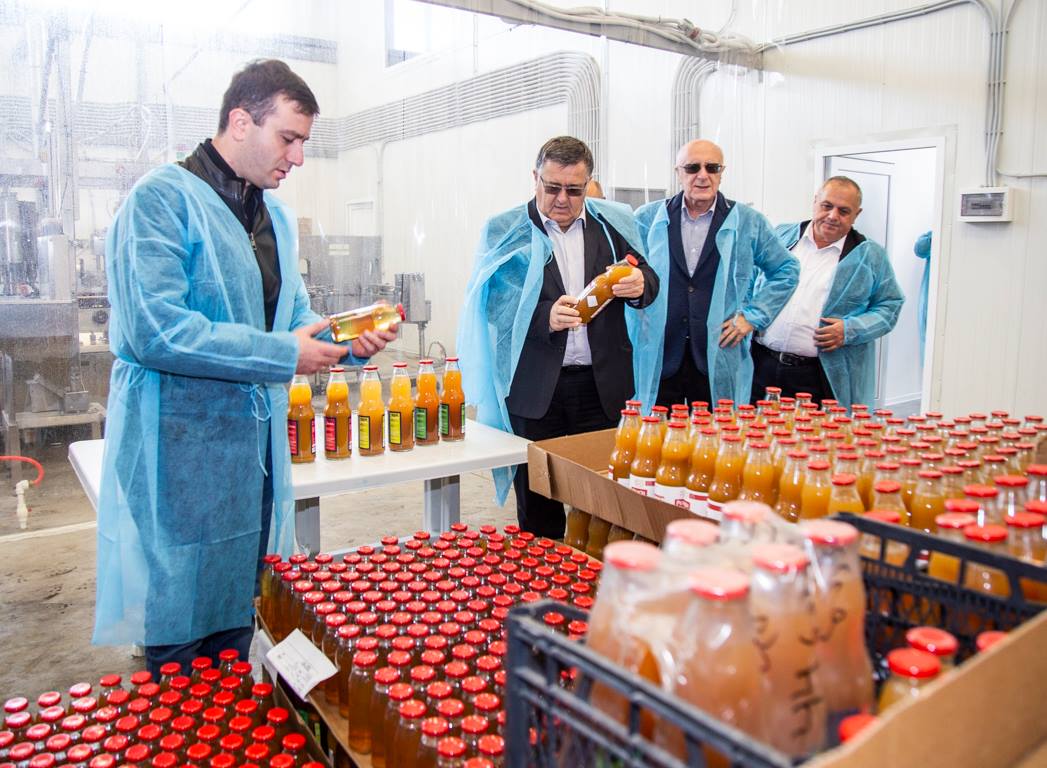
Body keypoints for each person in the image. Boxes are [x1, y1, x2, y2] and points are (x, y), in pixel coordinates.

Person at [94, 60, 396, 676]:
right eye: (288, 138)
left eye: (304, 142)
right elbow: (158, 330)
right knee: (181, 620)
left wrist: (345, 341)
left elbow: (293, 318)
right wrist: (286, 354)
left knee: (239, 609)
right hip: (178, 448)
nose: (298, 157)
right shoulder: (160, 201)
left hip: (251, 450)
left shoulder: (272, 218)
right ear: (240, 121)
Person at [457, 136, 660, 538]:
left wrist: (640, 284)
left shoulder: (613, 225)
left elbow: (649, 277)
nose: (563, 199)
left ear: (589, 184)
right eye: (552, 188)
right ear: (534, 178)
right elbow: (491, 302)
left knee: (605, 502)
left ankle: (594, 572)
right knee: (538, 505)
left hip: (601, 387)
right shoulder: (506, 230)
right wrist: (542, 317)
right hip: (536, 389)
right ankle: (542, 572)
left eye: (574, 190)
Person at [635, 140, 799, 407]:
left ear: (722, 173)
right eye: (692, 167)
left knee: (716, 431)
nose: (703, 175)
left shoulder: (748, 222)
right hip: (660, 355)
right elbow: (625, 270)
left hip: (718, 356)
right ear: (678, 172)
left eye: (712, 167)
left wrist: (753, 316)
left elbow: (786, 270)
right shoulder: (648, 218)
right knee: (656, 430)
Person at [752, 176, 904, 409]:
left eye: (844, 211)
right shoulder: (781, 236)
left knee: (813, 432)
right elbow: (748, 278)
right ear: (815, 202)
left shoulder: (869, 255)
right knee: (752, 430)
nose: (833, 216)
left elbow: (890, 305)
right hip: (761, 365)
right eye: (827, 206)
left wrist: (851, 329)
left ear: (857, 214)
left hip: (818, 377)